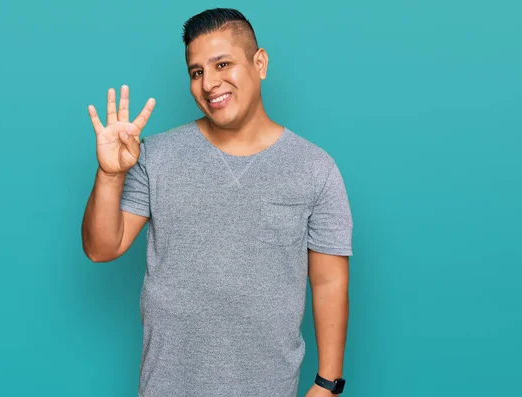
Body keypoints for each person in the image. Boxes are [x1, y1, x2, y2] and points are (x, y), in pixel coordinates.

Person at [81, 8, 353, 397]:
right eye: (196, 72)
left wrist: (327, 384)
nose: (209, 83)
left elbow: (328, 280)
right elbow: (100, 248)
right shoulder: (154, 155)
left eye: (222, 64)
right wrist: (110, 175)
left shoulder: (315, 169)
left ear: (259, 63)